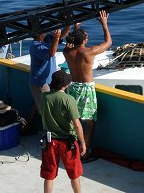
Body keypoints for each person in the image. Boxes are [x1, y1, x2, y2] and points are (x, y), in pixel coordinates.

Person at [63, 10, 112, 161]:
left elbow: (74, 43)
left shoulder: (67, 52)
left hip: (72, 88)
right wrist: (104, 24)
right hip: (86, 90)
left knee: (73, 121)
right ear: (84, 40)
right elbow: (108, 42)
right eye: (86, 37)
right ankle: (85, 153)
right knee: (90, 124)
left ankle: (71, 149)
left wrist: (76, 28)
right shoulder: (89, 53)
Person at [39, 69, 86, 193]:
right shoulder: (68, 99)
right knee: (74, 174)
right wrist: (83, 143)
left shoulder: (44, 96)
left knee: (49, 174)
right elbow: (77, 124)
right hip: (67, 143)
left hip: (49, 142)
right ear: (65, 86)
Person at [25, 24, 73, 134]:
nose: (46, 31)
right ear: (39, 34)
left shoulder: (46, 40)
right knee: (46, 111)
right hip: (41, 83)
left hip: (47, 81)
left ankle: (27, 125)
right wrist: (56, 38)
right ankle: (50, 135)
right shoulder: (36, 46)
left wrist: (68, 25)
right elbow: (51, 53)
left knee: (38, 105)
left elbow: (62, 36)